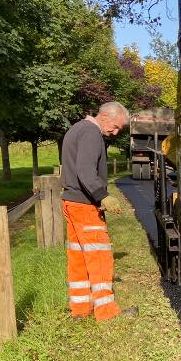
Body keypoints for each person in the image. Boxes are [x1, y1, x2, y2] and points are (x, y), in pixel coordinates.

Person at [61, 102, 136, 321]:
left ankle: (81, 309)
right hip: (85, 205)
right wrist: (103, 195)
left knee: (79, 259)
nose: (115, 132)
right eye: (115, 127)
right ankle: (107, 313)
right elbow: (86, 171)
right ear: (104, 116)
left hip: (72, 202)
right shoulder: (91, 133)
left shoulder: (76, 129)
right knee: (99, 257)